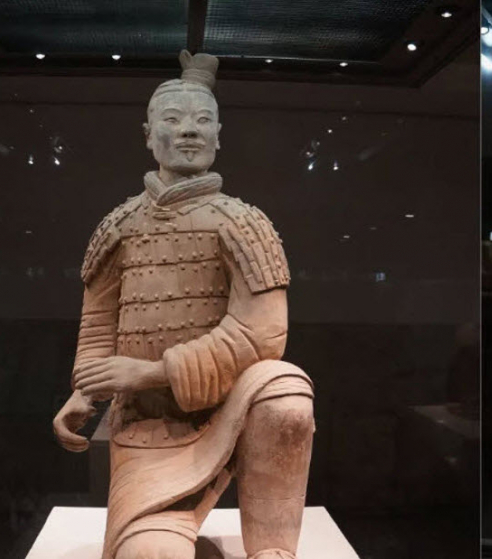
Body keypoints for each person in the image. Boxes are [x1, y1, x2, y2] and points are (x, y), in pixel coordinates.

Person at [50, 51, 314, 559]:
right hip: (151, 428)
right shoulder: (118, 226)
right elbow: (99, 323)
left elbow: (263, 334)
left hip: (230, 406)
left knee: (284, 390)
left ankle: (272, 549)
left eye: (203, 120)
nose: (189, 130)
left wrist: (151, 372)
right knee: (153, 555)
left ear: (219, 135)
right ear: (148, 135)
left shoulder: (244, 222)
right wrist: (85, 392)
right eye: (172, 119)